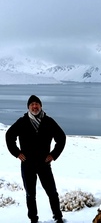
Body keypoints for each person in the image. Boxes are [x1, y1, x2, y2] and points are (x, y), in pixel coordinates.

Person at [5, 95, 66, 223]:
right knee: (30, 194)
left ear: (41, 106)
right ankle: (33, 219)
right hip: (27, 164)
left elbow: (61, 138)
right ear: (28, 107)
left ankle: (58, 217)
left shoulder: (48, 121)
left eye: (37, 104)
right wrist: (17, 153)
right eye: (32, 104)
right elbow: (9, 136)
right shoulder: (22, 122)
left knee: (52, 192)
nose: (34, 106)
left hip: (44, 163)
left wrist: (53, 155)